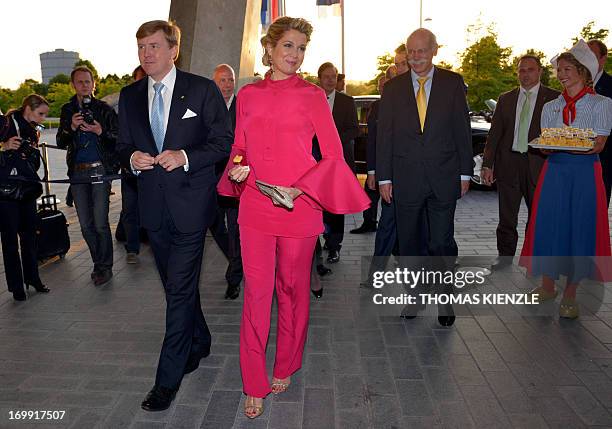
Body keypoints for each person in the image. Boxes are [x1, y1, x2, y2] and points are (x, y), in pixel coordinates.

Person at [217, 16, 369, 419]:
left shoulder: (313, 95)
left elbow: (334, 157)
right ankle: (253, 381)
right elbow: (239, 146)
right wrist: (238, 166)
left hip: (299, 206)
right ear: (269, 48)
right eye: (288, 46)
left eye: (301, 48)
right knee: (257, 294)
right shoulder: (248, 94)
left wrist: (299, 189)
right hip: (255, 204)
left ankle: (286, 363)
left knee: (292, 290)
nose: (295, 55)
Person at [117, 20, 232, 412]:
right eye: (141, 47)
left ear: (173, 50)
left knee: (179, 291)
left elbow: (223, 142)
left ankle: (167, 380)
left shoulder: (201, 90)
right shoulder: (130, 96)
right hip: (153, 209)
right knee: (175, 288)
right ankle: (199, 340)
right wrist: (132, 159)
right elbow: (123, 147)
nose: (146, 54)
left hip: (190, 209)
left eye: (153, 46)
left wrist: (184, 157)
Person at [377, 28, 472, 327]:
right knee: (410, 244)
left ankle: (445, 300)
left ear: (434, 50)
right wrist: (383, 179)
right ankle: (415, 297)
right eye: (411, 51)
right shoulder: (392, 89)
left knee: (441, 242)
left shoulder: (453, 83)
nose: (416, 57)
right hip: (405, 180)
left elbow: (461, 130)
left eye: (422, 50)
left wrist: (465, 172)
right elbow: (385, 138)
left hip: (444, 178)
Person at [520, 40, 612, 319]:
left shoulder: (602, 103)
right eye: (559, 69)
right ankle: (547, 286)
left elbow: (598, 145)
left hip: (584, 172)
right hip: (555, 171)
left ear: (583, 71)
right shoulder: (550, 106)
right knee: (549, 225)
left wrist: (569, 143)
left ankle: (571, 292)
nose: (561, 74)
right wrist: (548, 146)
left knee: (579, 228)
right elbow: (546, 144)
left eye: (567, 68)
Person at [481, 55, 559, 269]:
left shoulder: (554, 98)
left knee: (539, 216)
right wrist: (488, 164)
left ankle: (535, 257)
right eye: (521, 70)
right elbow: (494, 135)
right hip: (509, 164)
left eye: (530, 70)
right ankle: (504, 257)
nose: (525, 74)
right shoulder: (506, 98)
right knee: (506, 216)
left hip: (539, 164)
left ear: (540, 71)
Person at [57, 66, 119, 286]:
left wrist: (100, 131)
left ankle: (105, 267)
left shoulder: (104, 109)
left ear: (94, 84)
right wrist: (71, 127)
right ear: (73, 85)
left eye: (88, 81)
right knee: (85, 225)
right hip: (77, 173)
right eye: (80, 82)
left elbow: (118, 139)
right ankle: (98, 263)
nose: (84, 85)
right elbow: (61, 142)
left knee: (101, 223)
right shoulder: (67, 110)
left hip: (100, 170)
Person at [0, 94, 50, 301]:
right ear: (28, 108)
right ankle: (16, 287)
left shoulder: (32, 130)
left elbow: (32, 162)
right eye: (41, 114)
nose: (43, 119)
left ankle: (33, 278)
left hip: (27, 189)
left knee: (30, 237)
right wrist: (2, 147)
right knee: (10, 240)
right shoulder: (5, 123)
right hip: (6, 192)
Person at [316, 61, 359, 264]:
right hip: (315, 163)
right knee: (318, 205)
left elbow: (354, 130)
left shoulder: (346, 101)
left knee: (335, 205)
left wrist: (331, 139)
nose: (331, 80)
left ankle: (335, 246)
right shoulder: (311, 99)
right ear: (319, 79)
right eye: (326, 77)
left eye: (333, 76)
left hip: (338, 164)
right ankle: (322, 237)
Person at [211, 63, 243, 300]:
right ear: (214, 82)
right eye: (222, 80)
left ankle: (234, 276)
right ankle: (234, 260)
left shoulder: (243, 107)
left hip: (234, 179)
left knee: (234, 229)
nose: (227, 85)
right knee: (214, 225)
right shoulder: (206, 107)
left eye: (230, 80)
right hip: (209, 178)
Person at [117, 65, 148, 264]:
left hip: (154, 169)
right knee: (130, 209)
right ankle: (132, 248)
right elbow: (121, 139)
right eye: (139, 80)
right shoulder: (127, 101)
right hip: (130, 171)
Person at [588, 39, 612, 206]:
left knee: (599, 208)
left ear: (603, 59)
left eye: (592, 56)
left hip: (605, 159)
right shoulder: (571, 85)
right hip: (576, 159)